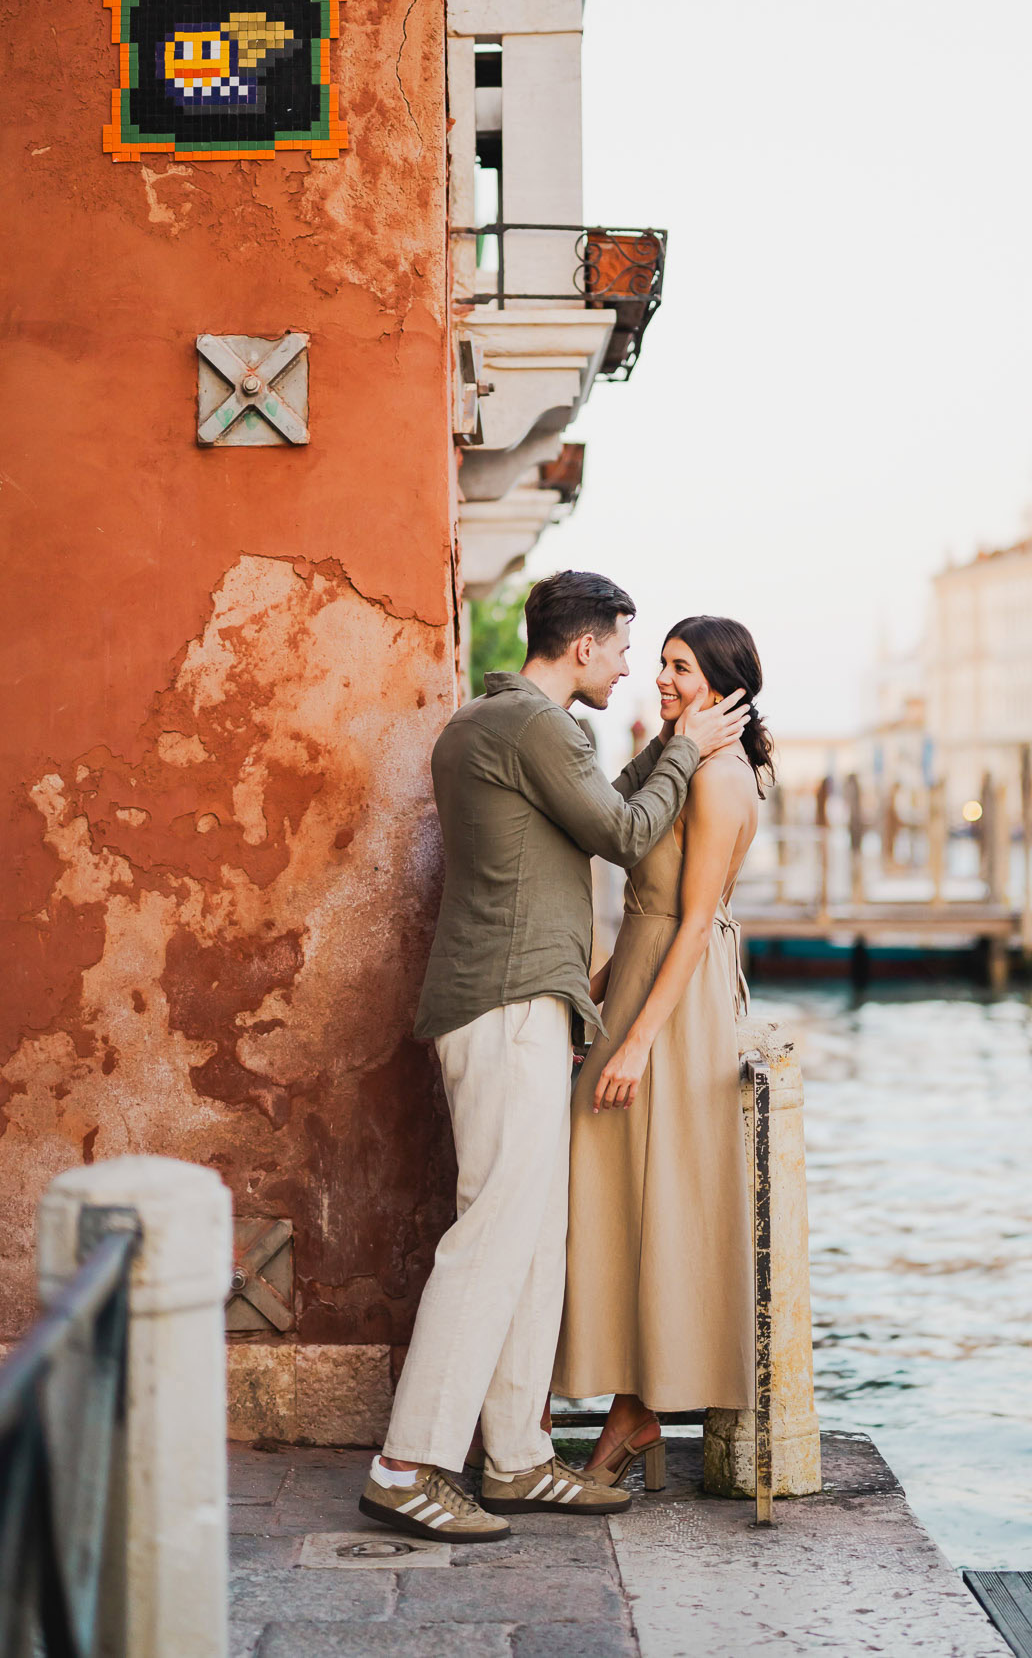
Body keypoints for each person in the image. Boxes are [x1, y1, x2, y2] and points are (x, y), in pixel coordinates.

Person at [359, 573, 749, 1542]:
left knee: (532, 1242)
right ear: (581, 647)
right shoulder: (534, 727)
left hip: (522, 1005)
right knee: (493, 1237)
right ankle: (405, 1465)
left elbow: (596, 811)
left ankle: (517, 1458)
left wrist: (666, 750)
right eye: (623, 650)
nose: (630, 669)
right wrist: (685, 749)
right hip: (504, 1006)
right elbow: (622, 833)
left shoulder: (492, 724)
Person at [553, 615, 773, 1489]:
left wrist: (638, 1043)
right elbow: (646, 912)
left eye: (681, 669)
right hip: (641, 983)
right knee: (612, 1190)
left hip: (676, 1008)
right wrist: (597, 992)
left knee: (662, 1196)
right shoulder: (692, 765)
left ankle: (640, 1409)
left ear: (724, 685)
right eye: (663, 666)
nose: (663, 681)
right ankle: (626, 1408)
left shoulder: (722, 780)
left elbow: (690, 923)